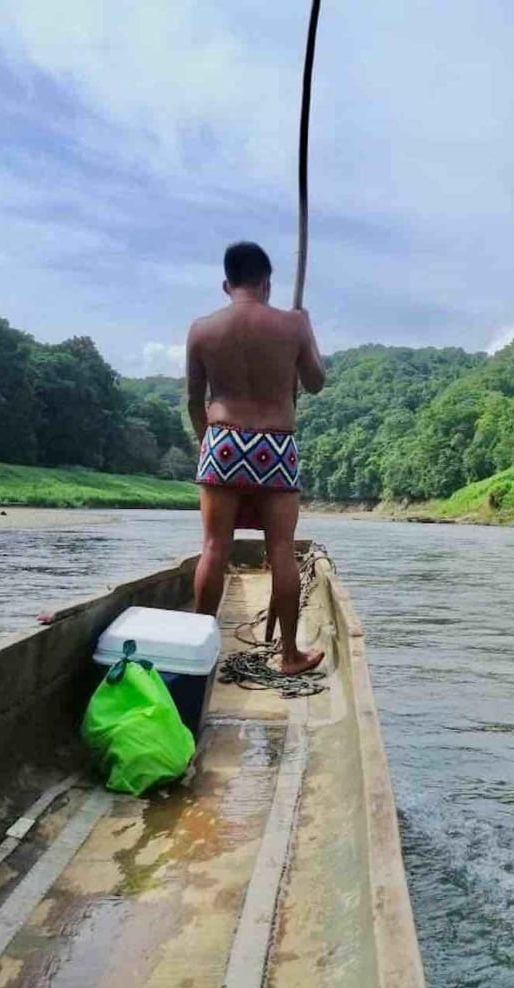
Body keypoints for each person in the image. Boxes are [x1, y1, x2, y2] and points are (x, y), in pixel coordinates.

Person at [186, 241, 327, 675]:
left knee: (214, 547)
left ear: (227, 283)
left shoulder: (202, 329)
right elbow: (317, 382)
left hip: (222, 439)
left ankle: (197, 652)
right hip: (275, 442)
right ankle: (289, 655)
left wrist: (206, 444)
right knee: (281, 549)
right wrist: (304, 332)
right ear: (267, 283)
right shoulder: (292, 324)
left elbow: (195, 399)